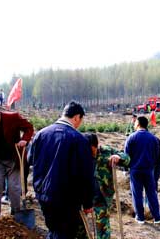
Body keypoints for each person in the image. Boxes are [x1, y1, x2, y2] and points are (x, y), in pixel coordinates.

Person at [29, 101, 96, 238]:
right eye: (81, 120)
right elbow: (86, 175)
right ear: (77, 117)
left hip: (43, 194)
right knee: (65, 233)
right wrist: (88, 202)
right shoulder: (78, 140)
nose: (79, 124)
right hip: (67, 199)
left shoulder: (41, 134)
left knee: (54, 230)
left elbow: (31, 160)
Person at [0, 106, 34, 221]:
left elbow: (29, 128)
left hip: (13, 159)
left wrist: (24, 139)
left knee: (14, 188)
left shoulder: (12, 117)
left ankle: (16, 214)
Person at [83, 133, 130, 239]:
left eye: (91, 149)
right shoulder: (81, 153)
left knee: (102, 229)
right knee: (81, 227)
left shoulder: (106, 151)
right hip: (84, 197)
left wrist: (119, 157)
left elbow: (127, 159)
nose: (88, 152)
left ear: (96, 145)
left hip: (102, 197)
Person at [124, 116, 160, 224]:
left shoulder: (131, 138)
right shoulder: (153, 138)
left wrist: (126, 168)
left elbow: (126, 156)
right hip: (149, 170)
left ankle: (140, 217)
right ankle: (157, 217)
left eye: (135, 122)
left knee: (137, 194)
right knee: (151, 193)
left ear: (138, 124)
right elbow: (156, 155)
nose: (134, 123)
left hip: (135, 170)